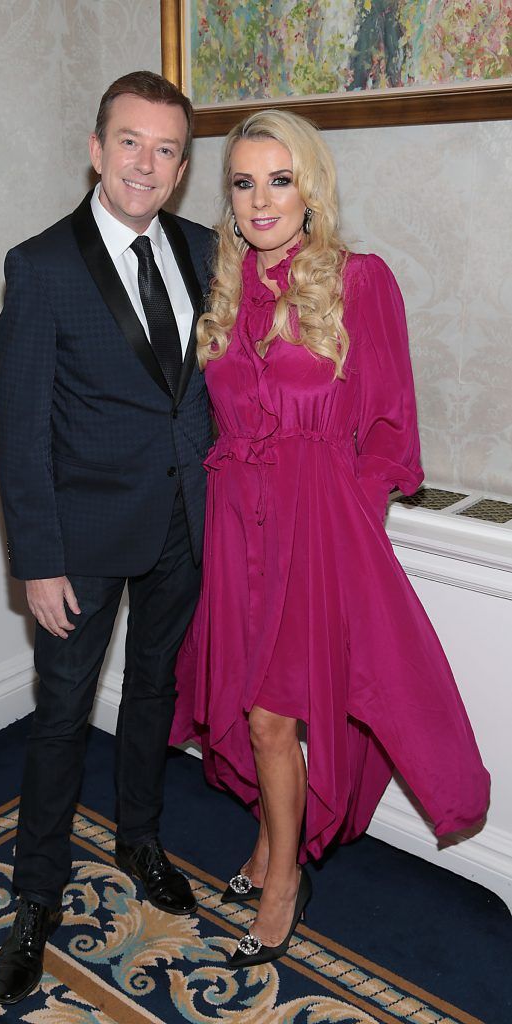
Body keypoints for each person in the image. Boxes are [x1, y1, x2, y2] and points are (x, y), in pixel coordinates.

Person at [170, 109, 490, 971]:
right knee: (248, 707)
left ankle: (284, 882)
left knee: (275, 720)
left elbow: (392, 430)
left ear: (310, 188)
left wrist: (345, 518)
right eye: (242, 181)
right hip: (237, 529)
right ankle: (276, 845)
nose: (261, 199)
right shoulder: (227, 290)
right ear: (227, 196)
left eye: (279, 179)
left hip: (318, 532)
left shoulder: (359, 280)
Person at [0, 71, 215, 1005]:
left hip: (182, 524)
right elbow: (20, 424)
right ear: (96, 148)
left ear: (180, 166)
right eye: (131, 142)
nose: (147, 164)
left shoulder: (207, 250)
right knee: (60, 717)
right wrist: (37, 560)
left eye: (166, 150)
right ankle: (36, 897)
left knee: (157, 691)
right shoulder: (40, 264)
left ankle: (139, 840)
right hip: (79, 538)